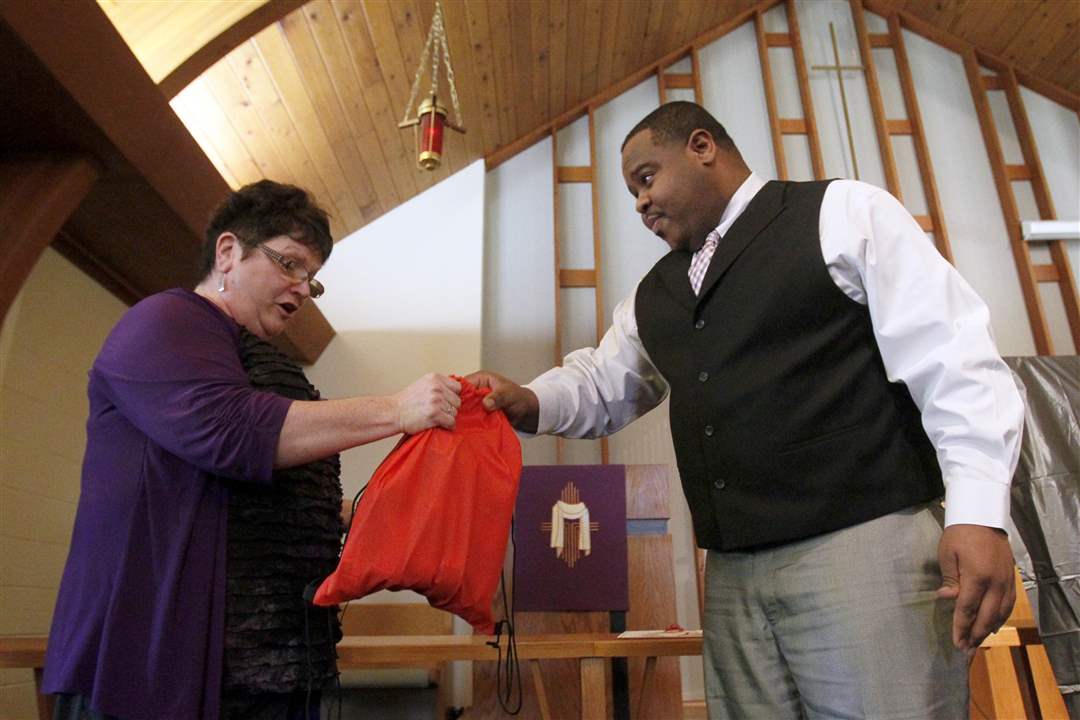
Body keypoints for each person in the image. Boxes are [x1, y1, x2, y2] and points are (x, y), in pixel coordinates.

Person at [470, 101, 1025, 718]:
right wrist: (527, 399)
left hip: (864, 544)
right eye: (631, 193)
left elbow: (953, 357)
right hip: (732, 576)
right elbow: (603, 382)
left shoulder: (842, 213)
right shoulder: (653, 295)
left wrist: (979, 513)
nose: (640, 204)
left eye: (646, 178)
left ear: (702, 146)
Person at [42, 180, 463, 720]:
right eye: (290, 264)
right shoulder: (164, 320)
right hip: (154, 656)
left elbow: (244, 497)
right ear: (228, 252)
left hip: (267, 664)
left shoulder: (242, 353)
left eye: (312, 278)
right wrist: (397, 409)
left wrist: (355, 515)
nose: (303, 289)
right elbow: (231, 430)